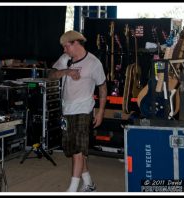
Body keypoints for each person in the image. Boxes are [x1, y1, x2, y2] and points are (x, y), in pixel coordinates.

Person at [48, 30, 107, 192]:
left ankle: (72, 189)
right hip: (67, 110)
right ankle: (88, 183)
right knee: (74, 149)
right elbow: (51, 75)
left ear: (75, 43)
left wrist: (101, 111)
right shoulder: (65, 59)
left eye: (66, 46)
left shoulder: (94, 63)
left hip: (84, 109)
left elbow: (102, 88)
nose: (64, 50)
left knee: (78, 150)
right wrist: (66, 71)